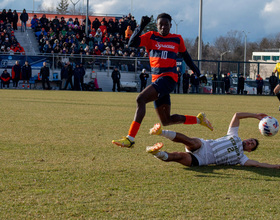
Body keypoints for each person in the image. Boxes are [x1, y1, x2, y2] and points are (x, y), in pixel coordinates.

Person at [112, 13, 210, 148]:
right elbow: (132, 43)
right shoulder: (151, 36)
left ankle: (130, 138)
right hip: (157, 81)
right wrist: (141, 26)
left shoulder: (177, 39)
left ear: (171, 25)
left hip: (169, 78)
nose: (163, 27)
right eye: (160, 25)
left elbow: (187, 58)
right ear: (157, 26)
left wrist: (198, 74)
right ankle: (199, 120)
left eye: (166, 24)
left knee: (140, 99)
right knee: (166, 120)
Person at [146, 112, 280, 169]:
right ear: (246, 139)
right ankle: (161, 132)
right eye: (251, 140)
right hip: (205, 145)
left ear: (249, 150)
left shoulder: (242, 158)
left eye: (252, 144)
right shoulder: (234, 135)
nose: (250, 142)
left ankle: (156, 152)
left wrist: (275, 166)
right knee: (191, 141)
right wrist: (255, 115)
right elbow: (237, 115)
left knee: (178, 156)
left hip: (203, 160)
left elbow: (257, 164)